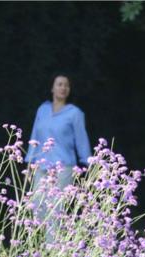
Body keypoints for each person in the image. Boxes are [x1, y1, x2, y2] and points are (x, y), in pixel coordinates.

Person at [27, 74, 91, 230]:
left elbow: (81, 139)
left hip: (63, 168)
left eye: (66, 85)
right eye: (59, 84)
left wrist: (88, 163)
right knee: (38, 207)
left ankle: (52, 250)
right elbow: (35, 135)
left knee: (55, 209)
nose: (63, 88)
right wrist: (30, 162)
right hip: (41, 167)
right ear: (52, 88)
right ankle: (43, 247)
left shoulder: (74, 113)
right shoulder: (42, 110)